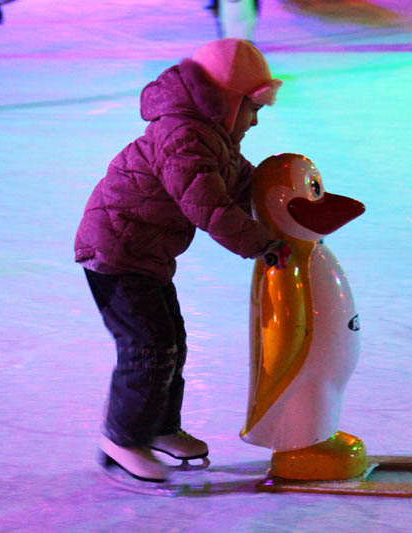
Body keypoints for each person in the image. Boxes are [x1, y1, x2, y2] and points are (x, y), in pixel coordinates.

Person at [74, 38, 288, 483]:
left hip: (144, 255)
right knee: (149, 347)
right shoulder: (184, 137)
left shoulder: (209, 134)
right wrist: (262, 243)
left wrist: (280, 198)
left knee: (172, 342)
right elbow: (208, 207)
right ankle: (122, 439)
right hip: (116, 254)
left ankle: (159, 427)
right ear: (229, 101)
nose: (255, 121)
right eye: (253, 109)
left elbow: (239, 181)